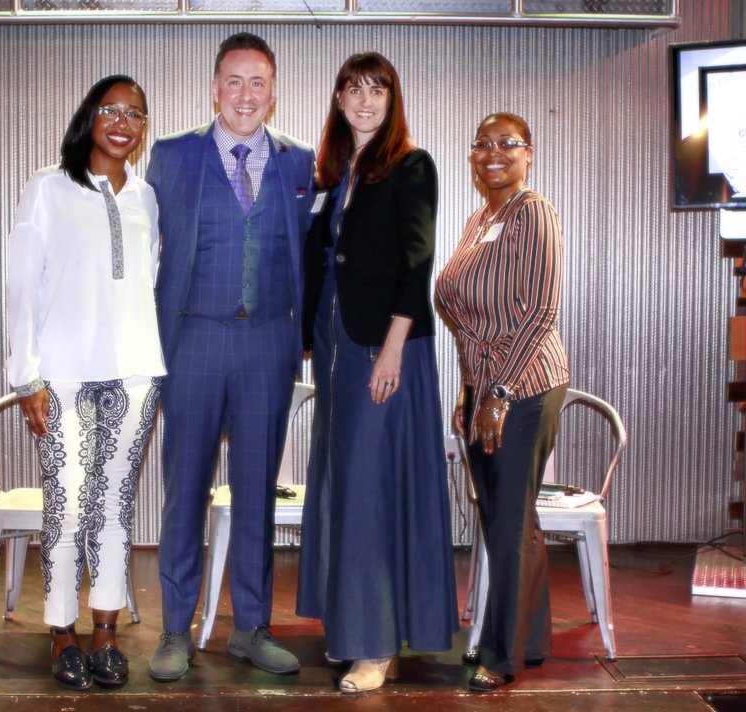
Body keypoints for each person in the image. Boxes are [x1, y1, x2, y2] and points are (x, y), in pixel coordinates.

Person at [145, 32, 315, 681]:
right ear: (215, 88)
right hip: (191, 340)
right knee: (184, 491)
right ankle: (175, 630)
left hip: (268, 344)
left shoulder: (300, 163)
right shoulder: (171, 156)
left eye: (258, 83)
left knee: (256, 495)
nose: (246, 95)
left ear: (274, 93)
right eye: (234, 82)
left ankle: (250, 627)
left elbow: (316, 256)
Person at [296, 52, 458, 694]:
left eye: (378, 90)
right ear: (338, 99)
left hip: (383, 348)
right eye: (355, 89)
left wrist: (393, 348)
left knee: (370, 492)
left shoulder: (411, 166)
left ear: (392, 101)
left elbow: (418, 260)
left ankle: (375, 646)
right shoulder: (335, 174)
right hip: (334, 349)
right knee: (343, 487)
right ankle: (350, 625)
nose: (366, 101)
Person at [6, 75, 165, 690]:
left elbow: (147, 283)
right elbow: (23, 285)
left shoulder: (146, 198)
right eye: (111, 110)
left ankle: (105, 631)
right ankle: (61, 632)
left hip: (134, 373)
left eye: (136, 114)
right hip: (64, 376)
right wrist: (27, 377)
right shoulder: (48, 187)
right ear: (89, 117)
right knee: (69, 505)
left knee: (115, 505)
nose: (124, 122)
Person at [435, 112, 570, 692]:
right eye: (483, 144)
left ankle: (501, 653)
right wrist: (470, 389)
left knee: (509, 523)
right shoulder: (478, 220)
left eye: (507, 143)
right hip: (485, 386)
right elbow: (464, 314)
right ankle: (529, 640)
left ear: (528, 153)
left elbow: (540, 311)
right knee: (505, 519)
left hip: (525, 387)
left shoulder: (532, 212)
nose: (493, 152)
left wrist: (499, 393)